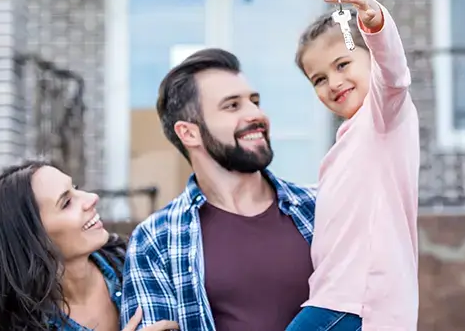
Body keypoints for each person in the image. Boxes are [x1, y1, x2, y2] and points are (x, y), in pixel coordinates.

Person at [120, 48, 317, 331]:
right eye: (232, 106)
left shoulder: (320, 207)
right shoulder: (155, 240)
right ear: (189, 133)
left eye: (255, 101)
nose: (256, 114)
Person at [286, 0, 419, 331]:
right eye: (319, 79)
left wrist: (374, 25)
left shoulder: (386, 114)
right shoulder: (345, 143)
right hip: (340, 301)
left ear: (372, 59)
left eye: (343, 64)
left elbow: (394, 76)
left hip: (357, 304)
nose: (334, 82)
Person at [0, 160, 179, 331]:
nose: (92, 198)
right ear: (33, 239)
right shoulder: (25, 324)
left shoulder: (141, 262)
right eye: (66, 203)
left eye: (76, 189)